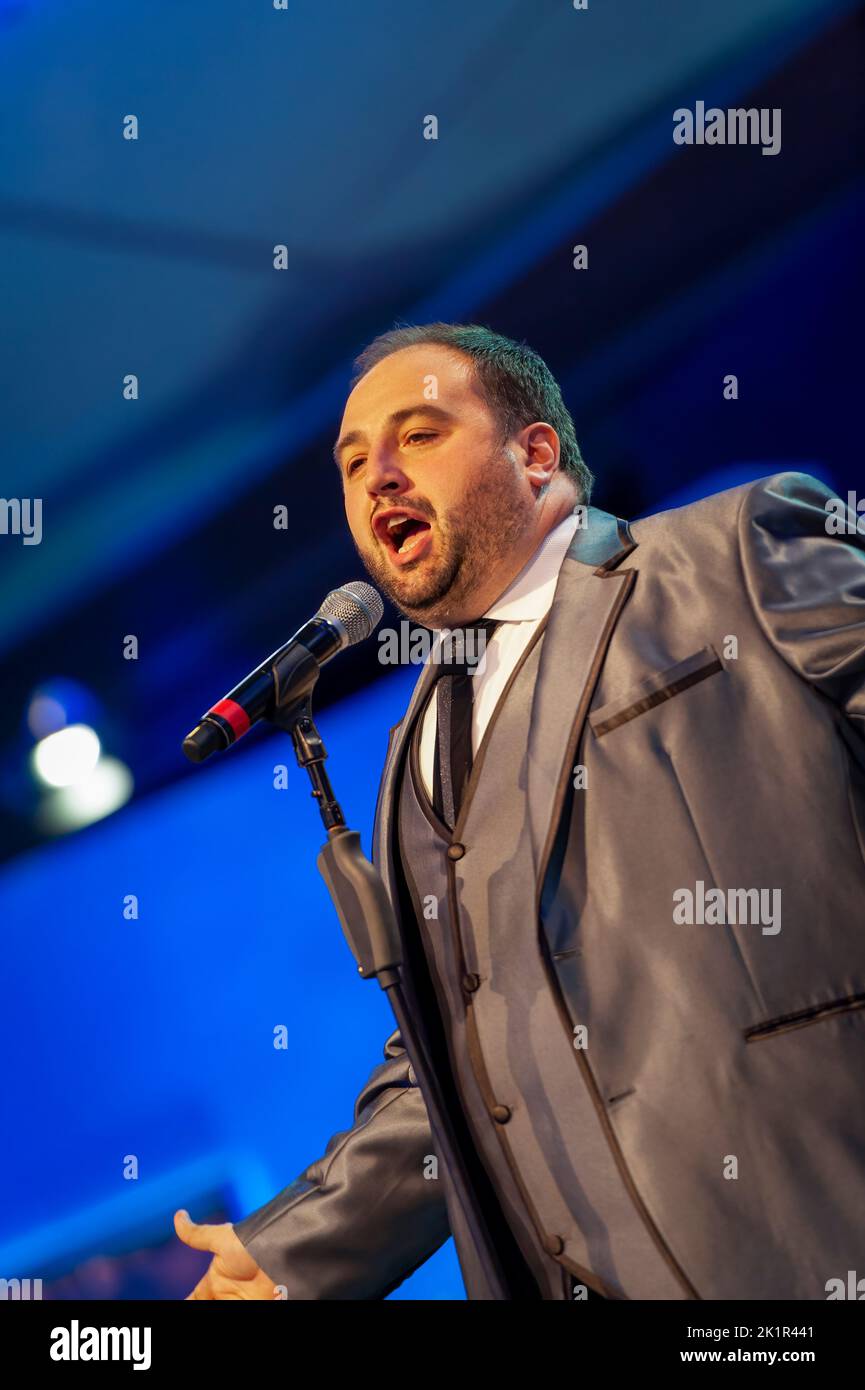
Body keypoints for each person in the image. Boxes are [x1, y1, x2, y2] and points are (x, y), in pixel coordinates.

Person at [176, 323, 865, 1300]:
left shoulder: (730, 557)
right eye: (352, 461)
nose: (378, 477)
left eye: (416, 435)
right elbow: (465, 1047)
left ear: (534, 452)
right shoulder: (413, 753)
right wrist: (297, 1250)